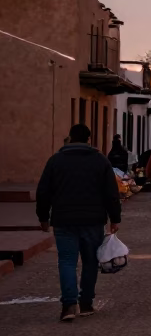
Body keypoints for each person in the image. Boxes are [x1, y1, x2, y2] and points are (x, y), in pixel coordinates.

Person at [35, 124, 122, 322]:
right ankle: (86, 303)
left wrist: (43, 217)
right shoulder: (100, 161)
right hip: (93, 220)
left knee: (67, 261)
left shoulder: (55, 161)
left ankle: (68, 305)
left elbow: (43, 192)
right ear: (89, 139)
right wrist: (115, 218)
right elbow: (111, 193)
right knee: (90, 261)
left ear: (70, 138)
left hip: (64, 220)